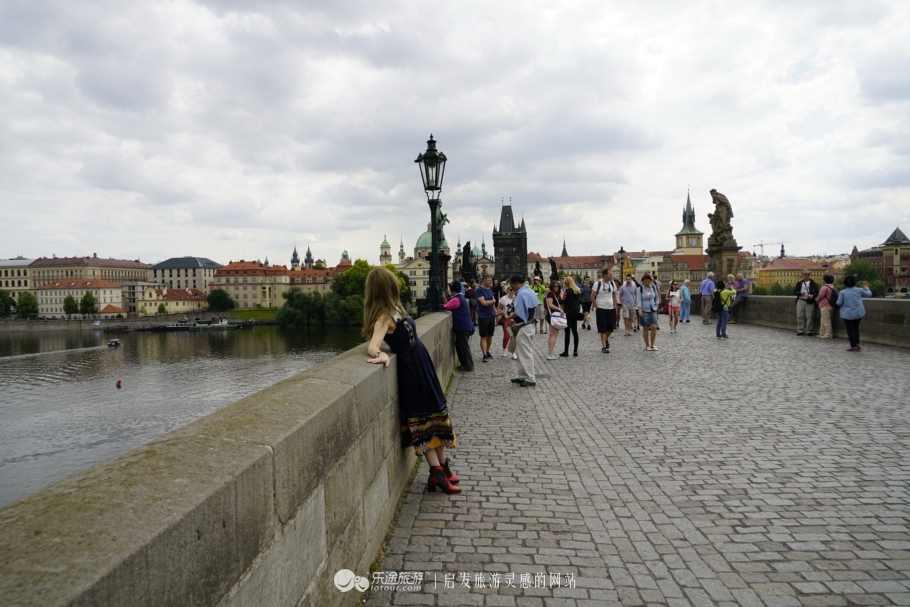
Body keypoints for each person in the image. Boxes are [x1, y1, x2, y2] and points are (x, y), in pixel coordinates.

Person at [364, 268, 460, 494]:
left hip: (421, 364)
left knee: (436, 413)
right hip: (411, 370)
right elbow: (372, 346)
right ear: (387, 288)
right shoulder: (383, 317)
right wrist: (382, 355)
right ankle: (435, 472)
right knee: (423, 419)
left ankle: (443, 469)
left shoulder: (396, 310)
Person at [506, 275, 538, 387]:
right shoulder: (530, 291)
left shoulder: (521, 294)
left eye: (512, 287)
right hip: (529, 325)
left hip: (523, 326)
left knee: (525, 353)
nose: (513, 289)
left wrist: (508, 316)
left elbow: (518, 312)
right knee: (520, 352)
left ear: (516, 284)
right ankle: (522, 376)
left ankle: (530, 378)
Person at [443, 281, 474, 372]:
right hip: (464, 326)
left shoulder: (456, 299)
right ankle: (465, 364)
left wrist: (444, 302)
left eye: (450, 289)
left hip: (462, 326)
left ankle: (468, 365)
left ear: (453, 290)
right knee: (460, 345)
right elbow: (449, 305)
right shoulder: (460, 298)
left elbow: (446, 307)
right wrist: (445, 300)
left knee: (463, 346)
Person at [836, 276, 872, 351]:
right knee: (856, 328)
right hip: (858, 313)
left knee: (850, 330)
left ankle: (853, 345)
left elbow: (838, 303)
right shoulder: (859, 290)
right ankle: (857, 343)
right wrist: (866, 287)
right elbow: (869, 294)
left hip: (847, 314)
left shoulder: (842, 292)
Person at [591, 268, 618, 353]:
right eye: (610, 274)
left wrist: (614, 306)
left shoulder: (612, 283)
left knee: (610, 328)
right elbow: (592, 296)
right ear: (605, 275)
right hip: (601, 308)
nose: (611, 276)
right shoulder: (597, 283)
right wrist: (597, 308)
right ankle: (604, 346)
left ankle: (605, 339)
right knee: (603, 328)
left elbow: (614, 295)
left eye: (611, 274)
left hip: (611, 308)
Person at [475, 275, 497, 362]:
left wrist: (495, 311)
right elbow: (483, 303)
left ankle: (487, 351)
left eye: (491, 280)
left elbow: (492, 303)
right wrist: (492, 301)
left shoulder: (490, 289)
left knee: (490, 335)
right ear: (484, 281)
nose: (491, 282)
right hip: (483, 315)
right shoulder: (479, 290)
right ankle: (484, 354)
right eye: (489, 280)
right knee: (483, 335)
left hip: (491, 315)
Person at [638, 273, 660, 351]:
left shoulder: (653, 288)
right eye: (645, 281)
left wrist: (656, 306)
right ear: (643, 281)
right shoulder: (640, 289)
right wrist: (639, 309)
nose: (647, 283)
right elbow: (639, 300)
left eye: (648, 281)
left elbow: (657, 298)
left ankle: (652, 344)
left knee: (654, 327)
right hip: (644, 309)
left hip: (653, 309)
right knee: (645, 327)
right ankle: (647, 345)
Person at [793, 270, 819, 335]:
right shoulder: (799, 283)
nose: (807, 275)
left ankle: (809, 330)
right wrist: (800, 293)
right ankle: (800, 330)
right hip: (801, 300)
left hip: (809, 301)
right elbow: (795, 291)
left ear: (810, 275)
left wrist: (813, 295)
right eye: (805, 274)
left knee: (809, 316)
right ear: (803, 275)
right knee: (800, 316)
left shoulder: (813, 283)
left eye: (808, 274)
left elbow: (817, 291)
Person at [560, 276, 581, 357]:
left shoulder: (567, 291)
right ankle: (575, 351)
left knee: (567, 332)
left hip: (568, 312)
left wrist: (560, 296)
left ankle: (566, 352)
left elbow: (563, 301)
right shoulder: (577, 290)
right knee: (575, 332)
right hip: (575, 312)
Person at [544, 280, 563, 360]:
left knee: (552, 335)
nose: (556, 288)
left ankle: (550, 352)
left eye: (557, 286)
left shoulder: (553, 294)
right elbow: (550, 304)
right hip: (553, 316)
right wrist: (559, 309)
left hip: (552, 315)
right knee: (553, 335)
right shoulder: (550, 294)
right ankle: (550, 353)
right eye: (555, 286)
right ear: (551, 286)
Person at [498, 285, 518, 359]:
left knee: (514, 336)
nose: (513, 291)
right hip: (507, 320)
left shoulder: (517, 298)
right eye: (511, 290)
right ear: (507, 290)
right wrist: (504, 313)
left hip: (515, 320)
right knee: (507, 335)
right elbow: (499, 309)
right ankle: (504, 348)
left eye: (514, 290)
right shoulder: (503, 299)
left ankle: (514, 352)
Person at [817, 274, 837, 339]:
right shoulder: (833, 287)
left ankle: (828, 334)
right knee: (824, 320)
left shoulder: (824, 287)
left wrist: (816, 299)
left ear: (825, 280)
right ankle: (822, 333)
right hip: (831, 305)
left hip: (825, 305)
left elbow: (821, 296)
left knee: (825, 321)